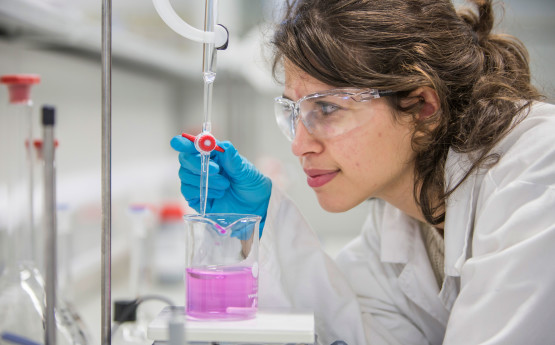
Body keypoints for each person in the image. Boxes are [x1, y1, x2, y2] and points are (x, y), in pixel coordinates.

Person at [170, 0, 555, 343]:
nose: (299, 145)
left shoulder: (538, 176)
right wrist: (258, 222)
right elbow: (346, 333)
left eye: (325, 109)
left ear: (423, 105)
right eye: (294, 112)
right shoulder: (397, 223)